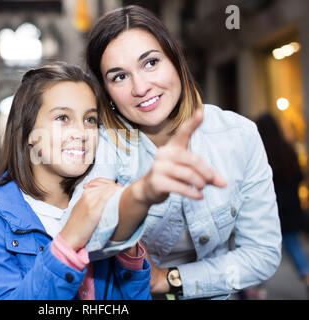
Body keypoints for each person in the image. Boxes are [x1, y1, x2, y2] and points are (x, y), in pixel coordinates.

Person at [64, 5, 282, 300]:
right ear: (106, 92)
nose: (141, 87)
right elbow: (79, 239)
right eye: (119, 77)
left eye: (150, 63)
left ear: (176, 60)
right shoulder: (102, 145)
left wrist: (167, 280)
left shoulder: (239, 134)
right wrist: (141, 194)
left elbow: (262, 254)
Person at [0, 62, 151, 300]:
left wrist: (127, 247)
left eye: (90, 120)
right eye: (62, 117)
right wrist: (70, 238)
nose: (81, 133)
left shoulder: (107, 195)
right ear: (27, 132)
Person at [256, 113, 309, 298]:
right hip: (292, 207)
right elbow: (300, 176)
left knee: (262, 247)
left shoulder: (261, 151)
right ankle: (307, 275)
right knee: (293, 244)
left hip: (272, 208)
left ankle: (254, 286)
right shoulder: (288, 148)